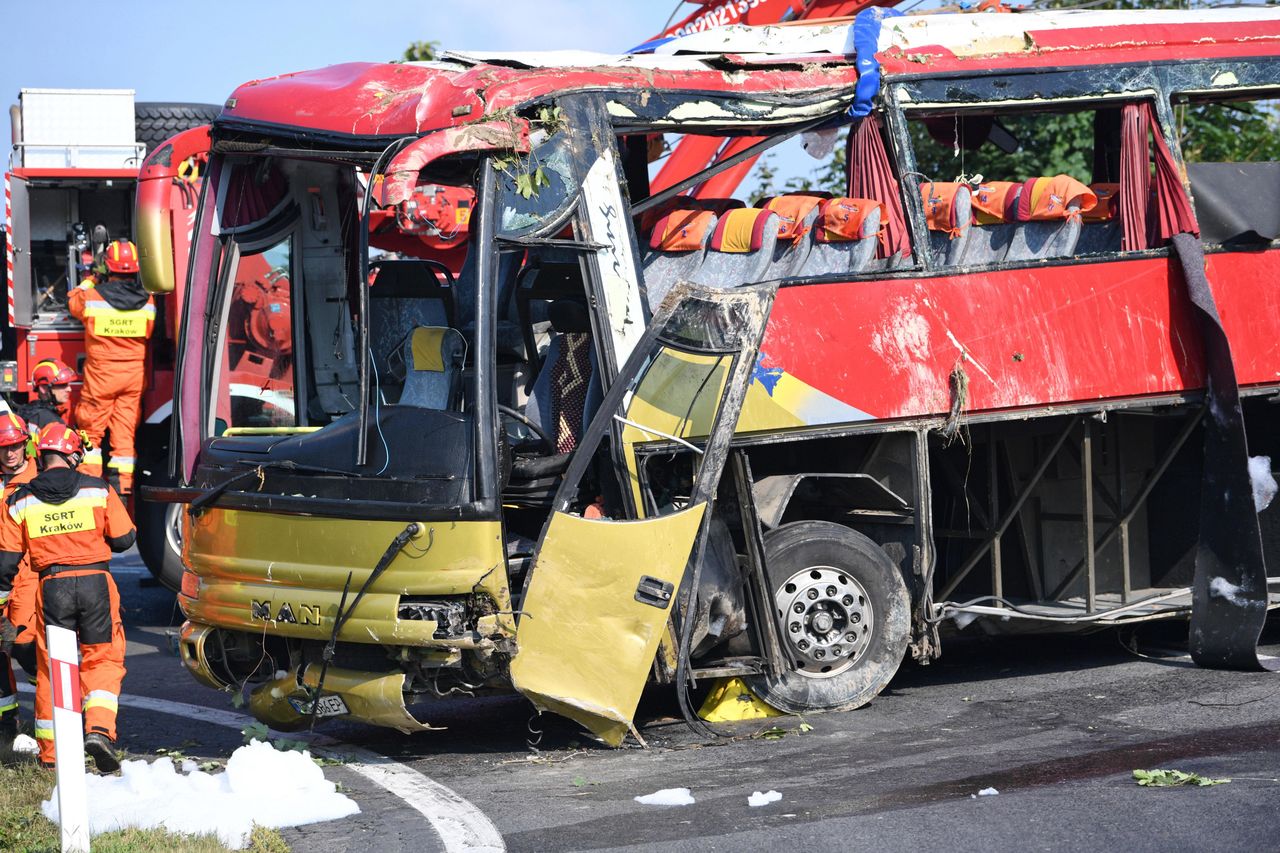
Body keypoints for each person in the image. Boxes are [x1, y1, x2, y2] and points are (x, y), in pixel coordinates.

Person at [0, 422, 135, 771]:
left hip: (51, 586)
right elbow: (124, 540)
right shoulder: (97, 489)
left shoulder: (20, 499)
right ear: (73, 454)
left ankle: (52, 756)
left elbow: (6, 564)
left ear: (38, 456)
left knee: (51, 668)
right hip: (96, 584)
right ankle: (100, 730)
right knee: (102, 659)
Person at [68, 239, 155, 493]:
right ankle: (123, 490)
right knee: (124, 436)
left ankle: (88, 486)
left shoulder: (93, 296)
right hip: (132, 379)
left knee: (91, 436)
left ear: (108, 267)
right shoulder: (148, 301)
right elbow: (149, 331)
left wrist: (92, 278)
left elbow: (73, 301)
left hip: (102, 378)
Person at [0, 412, 36, 744]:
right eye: (4, 448)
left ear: (25, 444)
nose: (10, 453)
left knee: (24, 645)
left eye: (15, 446)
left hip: (26, 573)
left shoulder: (40, 478)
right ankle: (6, 724)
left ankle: (54, 706)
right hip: (1, 573)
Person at [19, 358, 77, 434]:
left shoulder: (27, 412)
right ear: (43, 388)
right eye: (62, 385)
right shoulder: (52, 423)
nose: (69, 389)